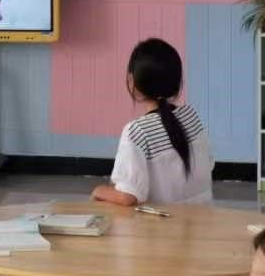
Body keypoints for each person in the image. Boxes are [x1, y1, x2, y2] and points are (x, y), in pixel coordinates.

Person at [91, 38, 213, 206]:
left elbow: (128, 197)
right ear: (178, 82)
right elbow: (208, 164)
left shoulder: (137, 131)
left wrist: (98, 190)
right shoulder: (191, 116)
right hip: (205, 218)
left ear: (132, 81)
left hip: (163, 222)